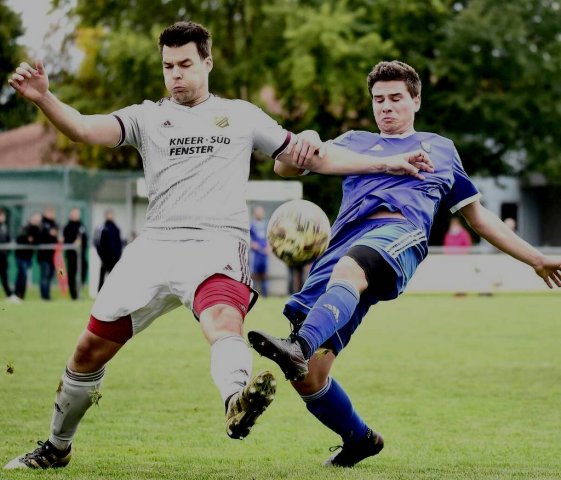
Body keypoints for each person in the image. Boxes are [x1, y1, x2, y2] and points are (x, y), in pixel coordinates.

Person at [7, 21, 434, 470]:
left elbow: (310, 157)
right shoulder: (145, 117)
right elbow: (82, 128)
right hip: (153, 247)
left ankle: (236, 401)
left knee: (223, 322)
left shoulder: (242, 116)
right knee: (87, 352)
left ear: (207, 62)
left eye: (185, 64)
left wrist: (386, 163)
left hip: (216, 244)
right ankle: (56, 447)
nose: (176, 74)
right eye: (168, 66)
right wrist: (44, 98)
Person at [248, 60, 561, 468]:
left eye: (396, 98)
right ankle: (359, 439)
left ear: (416, 100)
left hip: (398, 235)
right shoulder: (354, 141)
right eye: (378, 99)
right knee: (309, 377)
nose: (386, 106)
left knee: (347, 276)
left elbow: (478, 217)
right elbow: (284, 165)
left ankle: (298, 346)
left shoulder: (440, 148)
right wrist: (305, 137)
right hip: (340, 248)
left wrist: (536, 258)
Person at [14, 212, 42, 300]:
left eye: (38, 220)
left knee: (22, 276)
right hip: (20, 256)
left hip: (28, 257)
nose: (37, 221)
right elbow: (20, 239)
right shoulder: (25, 227)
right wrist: (28, 239)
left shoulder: (38, 230)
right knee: (22, 275)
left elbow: (36, 241)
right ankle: (18, 295)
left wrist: (32, 240)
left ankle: (20, 295)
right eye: (35, 219)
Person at [94, 209, 122, 292]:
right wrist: (102, 256)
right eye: (108, 214)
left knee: (114, 278)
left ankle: (114, 294)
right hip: (105, 259)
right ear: (105, 215)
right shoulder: (101, 228)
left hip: (114, 258)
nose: (110, 216)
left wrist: (118, 255)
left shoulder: (116, 228)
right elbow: (97, 243)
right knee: (102, 278)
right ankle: (99, 294)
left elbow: (119, 243)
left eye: (111, 214)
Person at [63, 207, 88, 300]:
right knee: (70, 274)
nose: (76, 215)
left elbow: (85, 238)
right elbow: (65, 241)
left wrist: (81, 243)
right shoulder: (67, 227)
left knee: (84, 269)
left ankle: (79, 289)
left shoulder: (82, 226)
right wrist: (73, 243)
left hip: (81, 255)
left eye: (77, 214)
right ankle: (73, 294)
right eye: (74, 214)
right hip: (71, 255)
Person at [37, 206, 60, 301]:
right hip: (43, 256)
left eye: (52, 212)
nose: (51, 214)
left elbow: (57, 234)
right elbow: (41, 236)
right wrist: (49, 233)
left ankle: (47, 295)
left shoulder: (54, 223)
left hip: (52, 255)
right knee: (45, 275)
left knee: (51, 274)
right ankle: (44, 296)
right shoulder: (41, 223)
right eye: (49, 212)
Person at [249, 205, 270, 297]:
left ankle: (265, 294)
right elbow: (247, 237)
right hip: (255, 253)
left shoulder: (266, 225)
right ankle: (252, 293)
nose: (260, 214)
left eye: (261, 212)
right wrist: (252, 244)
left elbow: (270, 237)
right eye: (258, 212)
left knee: (264, 273)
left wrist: (269, 247)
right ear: (255, 213)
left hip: (264, 253)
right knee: (253, 273)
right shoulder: (251, 225)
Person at [0, 208, 15, 299]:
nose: (3, 218)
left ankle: (9, 295)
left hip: (3, 256)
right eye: (1, 216)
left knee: (4, 276)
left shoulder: (4, 227)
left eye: (3, 216)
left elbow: (8, 239)